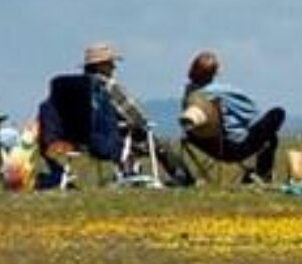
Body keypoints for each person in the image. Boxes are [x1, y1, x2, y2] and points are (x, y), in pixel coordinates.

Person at [82, 42, 190, 185]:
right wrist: (145, 124)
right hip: (117, 138)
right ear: (100, 65)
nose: (114, 67)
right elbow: (134, 114)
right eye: (110, 63)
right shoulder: (108, 85)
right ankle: (183, 179)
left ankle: (129, 172)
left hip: (89, 142)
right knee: (161, 145)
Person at [181, 50, 286, 183]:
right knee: (278, 113)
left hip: (206, 144)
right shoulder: (221, 91)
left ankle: (260, 175)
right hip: (233, 147)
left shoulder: (189, 94)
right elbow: (251, 112)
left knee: (270, 137)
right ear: (214, 72)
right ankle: (262, 175)